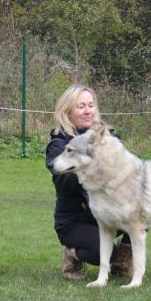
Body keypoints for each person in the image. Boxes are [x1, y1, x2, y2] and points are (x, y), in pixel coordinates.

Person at [45, 84, 131, 280]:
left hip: (107, 212)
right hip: (74, 221)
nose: (87, 111)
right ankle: (72, 255)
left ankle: (122, 261)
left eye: (90, 105)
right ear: (68, 112)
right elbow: (64, 180)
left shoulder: (109, 136)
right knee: (104, 251)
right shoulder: (59, 144)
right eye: (81, 106)